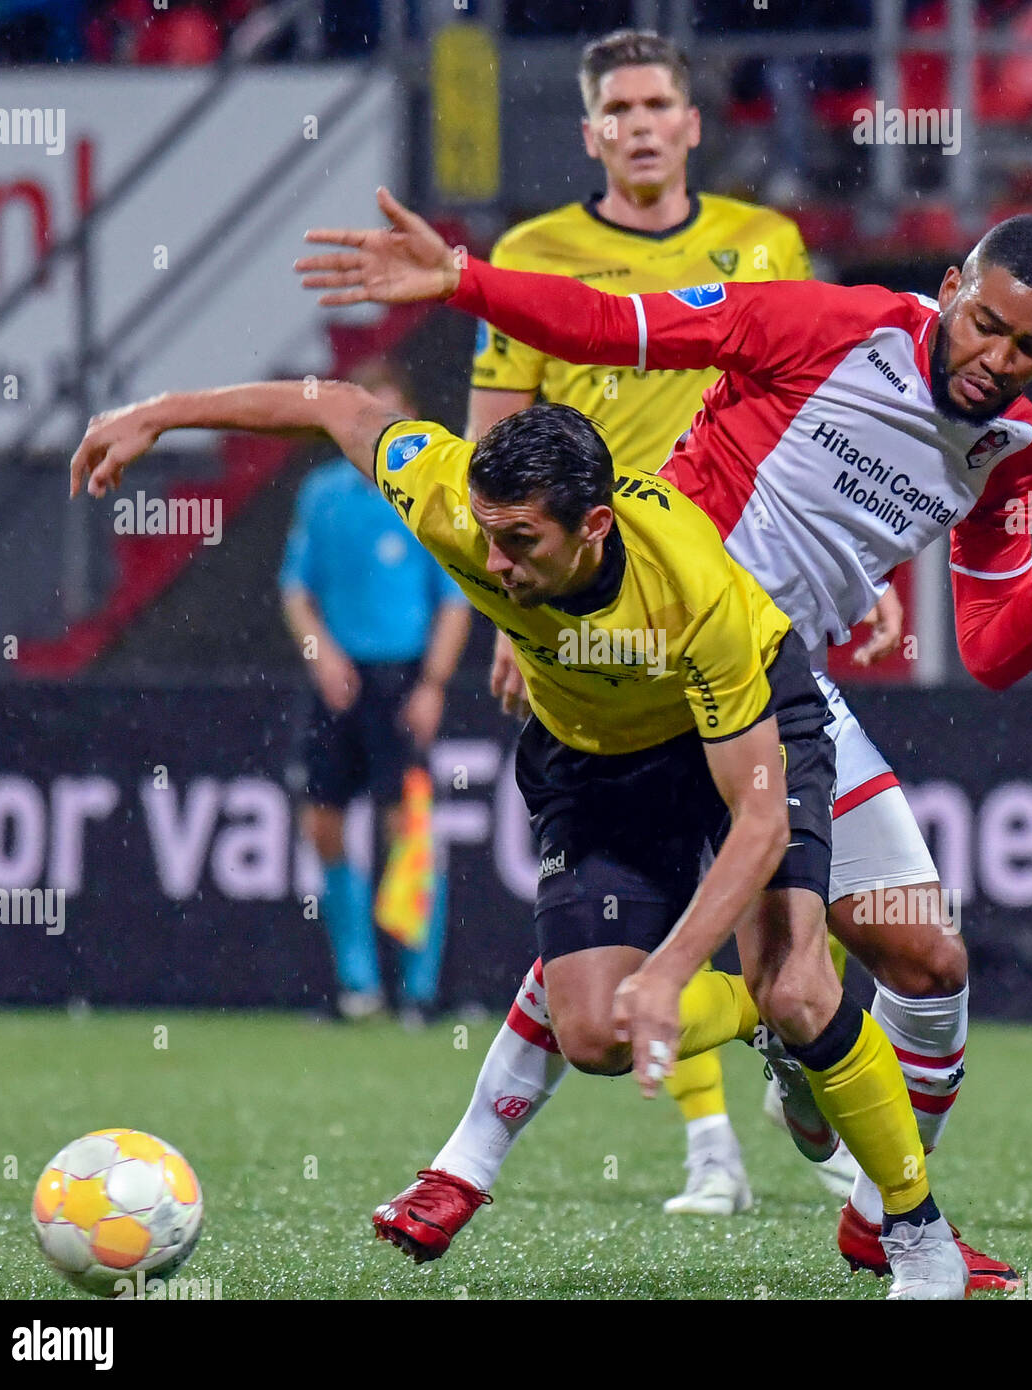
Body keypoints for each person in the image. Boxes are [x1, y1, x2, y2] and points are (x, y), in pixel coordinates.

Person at [294, 194, 1032, 1288]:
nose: (999, 359)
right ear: (954, 283)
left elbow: (993, 652)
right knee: (664, 988)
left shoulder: (1014, 449)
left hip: (783, 690)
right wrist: (462, 283)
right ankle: (474, 1157)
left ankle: (880, 1214)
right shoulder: (826, 324)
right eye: (989, 324)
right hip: (658, 669)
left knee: (929, 959)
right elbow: (608, 325)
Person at [70, 384, 971, 1300]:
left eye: (521, 543)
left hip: (748, 734)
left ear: (594, 525)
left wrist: (667, 974)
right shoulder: (457, 500)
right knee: (594, 1033)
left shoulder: (692, 588)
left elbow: (759, 817)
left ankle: (919, 1235)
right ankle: (754, 1016)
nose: (493, 562)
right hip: (593, 756)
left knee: (801, 987)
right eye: (488, 534)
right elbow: (335, 406)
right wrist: (162, 412)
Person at [465, 25, 901, 1219]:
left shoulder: (763, 245)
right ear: (594, 127)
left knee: (773, 881)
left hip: (737, 601)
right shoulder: (533, 252)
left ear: (693, 122)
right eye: (621, 107)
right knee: (653, 878)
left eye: (662, 102)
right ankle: (714, 1145)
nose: (644, 123)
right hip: (595, 614)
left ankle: (773, 1066)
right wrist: (514, 612)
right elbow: (489, 444)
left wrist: (865, 556)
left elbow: (830, 412)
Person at [278, 358, 471, 1020]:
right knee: (323, 824)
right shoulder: (322, 495)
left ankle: (420, 991)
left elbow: (455, 600)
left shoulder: (424, 496)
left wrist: (435, 684)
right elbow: (296, 591)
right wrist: (320, 655)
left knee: (409, 829)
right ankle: (359, 986)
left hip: (403, 678)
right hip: (338, 679)